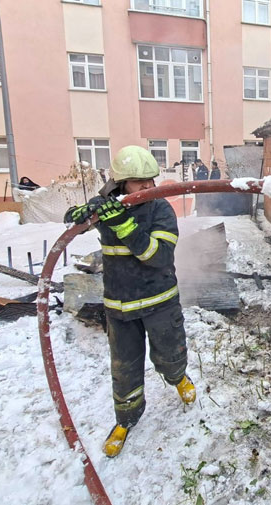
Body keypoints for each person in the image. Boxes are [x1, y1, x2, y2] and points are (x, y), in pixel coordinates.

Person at [64, 145, 196, 458]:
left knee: (169, 355)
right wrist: (81, 215)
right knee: (124, 370)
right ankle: (125, 420)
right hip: (120, 308)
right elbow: (80, 221)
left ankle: (178, 378)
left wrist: (124, 226)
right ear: (122, 183)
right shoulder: (108, 207)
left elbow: (159, 257)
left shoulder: (161, 210)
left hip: (160, 302)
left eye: (151, 180)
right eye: (139, 182)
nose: (147, 187)